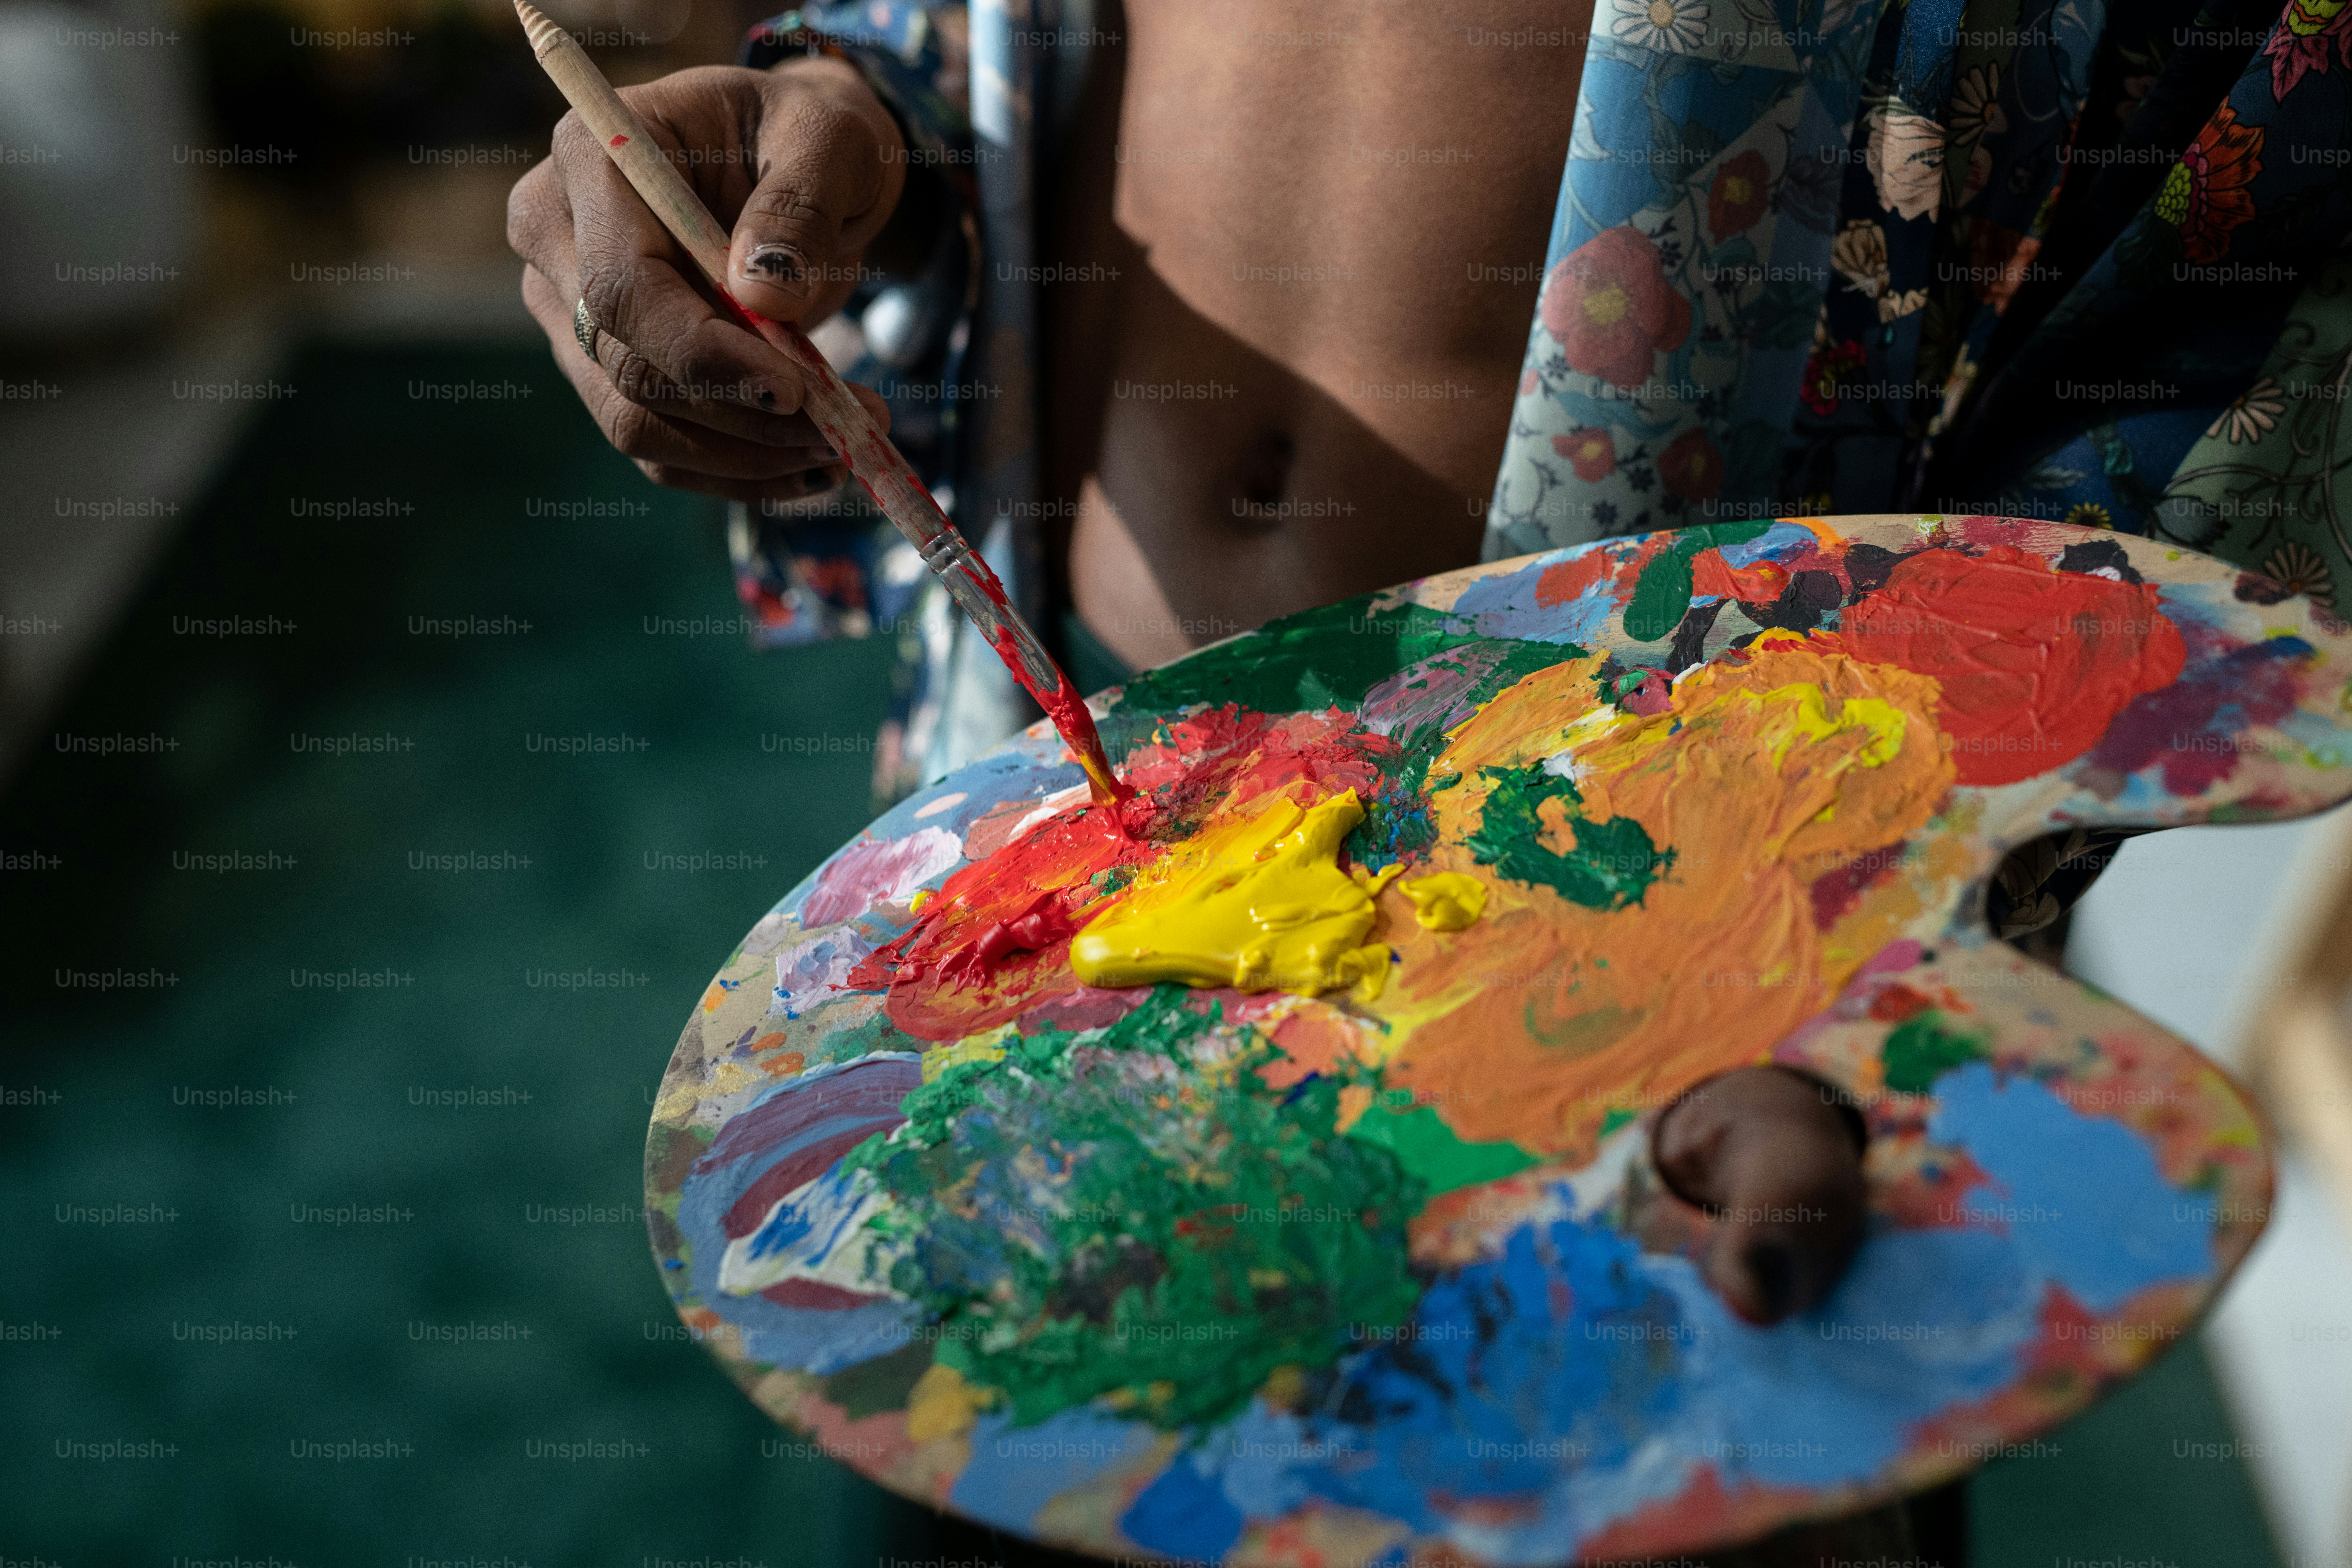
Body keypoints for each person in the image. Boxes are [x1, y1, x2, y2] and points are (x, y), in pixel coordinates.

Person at [507, 1, 2344, 1556]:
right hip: (1053, 813)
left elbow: (2215, 328)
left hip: (1689, 918)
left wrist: (1828, 945)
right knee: (1043, 1452)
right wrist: (847, 111)